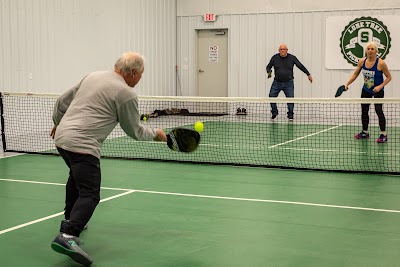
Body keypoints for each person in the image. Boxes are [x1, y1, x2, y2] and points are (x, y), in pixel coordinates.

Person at [50, 51, 167, 266]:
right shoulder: (126, 93)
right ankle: (68, 235)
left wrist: (59, 123)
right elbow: (133, 130)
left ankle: (70, 218)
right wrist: (156, 135)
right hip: (83, 146)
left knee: (76, 178)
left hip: (62, 139)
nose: (140, 79)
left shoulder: (93, 76)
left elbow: (61, 101)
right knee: (91, 193)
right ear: (132, 72)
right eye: (141, 75)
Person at [344, 42, 392, 143]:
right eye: (368, 49)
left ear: (376, 51)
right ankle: (365, 132)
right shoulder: (362, 61)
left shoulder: (381, 63)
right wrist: (347, 83)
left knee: (378, 110)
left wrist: (380, 87)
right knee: (364, 111)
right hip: (366, 90)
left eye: (372, 49)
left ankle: (383, 134)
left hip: (378, 91)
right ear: (366, 51)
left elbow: (389, 77)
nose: (370, 51)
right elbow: (355, 74)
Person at [266, 44, 313, 121]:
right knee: (271, 96)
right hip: (277, 82)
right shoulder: (275, 58)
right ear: (279, 50)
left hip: (288, 83)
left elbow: (300, 66)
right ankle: (274, 112)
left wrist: (308, 74)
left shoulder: (292, 58)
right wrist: (269, 72)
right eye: (281, 49)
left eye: (284, 49)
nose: (282, 50)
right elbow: (268, 66)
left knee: (290, 99)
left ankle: (290, 114)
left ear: (287, 50)